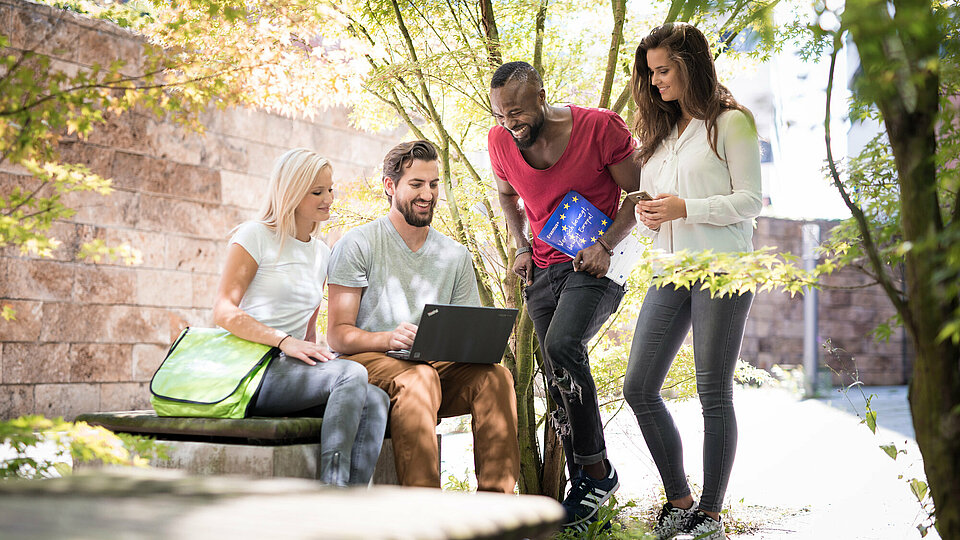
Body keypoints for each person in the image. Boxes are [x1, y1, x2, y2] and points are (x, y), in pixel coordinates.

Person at [622, 23, 762, 540]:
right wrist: (650, 215)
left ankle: (708, 513)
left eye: (664, 70)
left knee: (712, 391)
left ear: (690, 66)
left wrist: (688, 208)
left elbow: (752, 201)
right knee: (638, 386)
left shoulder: (731, 123)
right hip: (668, 270)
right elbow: (651, 201)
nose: (656, 82)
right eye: (651, 73)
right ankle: (678, 498)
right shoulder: (659, 136)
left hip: (722, 270)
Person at [488, 61, 641, 529]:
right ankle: (585, 490)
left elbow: (639, 193)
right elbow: (507, 197)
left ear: (540, 96)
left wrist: (605, 244)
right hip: (544, 268)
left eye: (515, 111)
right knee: (555, 372)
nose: (509, 123)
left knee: (561, 346)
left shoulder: (598, 127)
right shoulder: (500, 142)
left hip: (597, 264)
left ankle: (597, 471)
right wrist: (520, 249)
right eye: (500, 115)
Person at [325, 140, 520, 493]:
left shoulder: (455, 255)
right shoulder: (358, 245)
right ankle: (426, 515)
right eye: (416, 184)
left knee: (496, 378)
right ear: (390, 186)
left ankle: (498, 513)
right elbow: (338, 335)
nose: (427, 194)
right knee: (420, 378)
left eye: (433, 184)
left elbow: (466, 331)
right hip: (369, 366)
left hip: (431, 368)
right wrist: (386, 338)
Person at [213, 148, 389, 487]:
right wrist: (283, 340)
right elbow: (222, 311)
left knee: (376, 399)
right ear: (292, 193)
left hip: (288, 369)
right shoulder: (254, 236)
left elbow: (308, 330)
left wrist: (316, 353)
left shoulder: (322, 252)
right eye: (317, 192)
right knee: (351, 374)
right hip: (251, 369)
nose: (329, 199)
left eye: (330, 189)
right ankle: (333, 492)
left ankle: (352, 503)